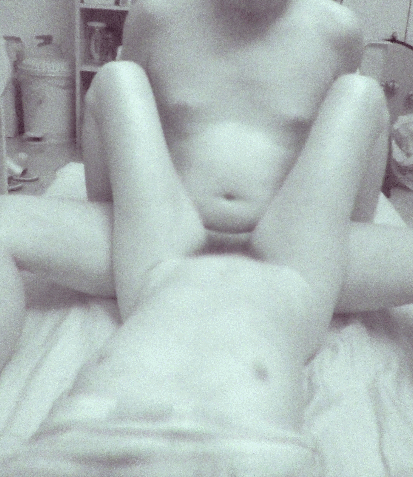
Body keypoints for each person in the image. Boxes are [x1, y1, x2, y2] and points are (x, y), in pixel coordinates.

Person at [0, 0, 401, 474]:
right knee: (116, 79)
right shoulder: (157, 16)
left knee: (361, 94)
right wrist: (122, 223)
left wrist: (333, 234)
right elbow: (121, 138)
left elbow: (355, 178)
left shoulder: (336, 29)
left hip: (295, 231)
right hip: (162, 222)